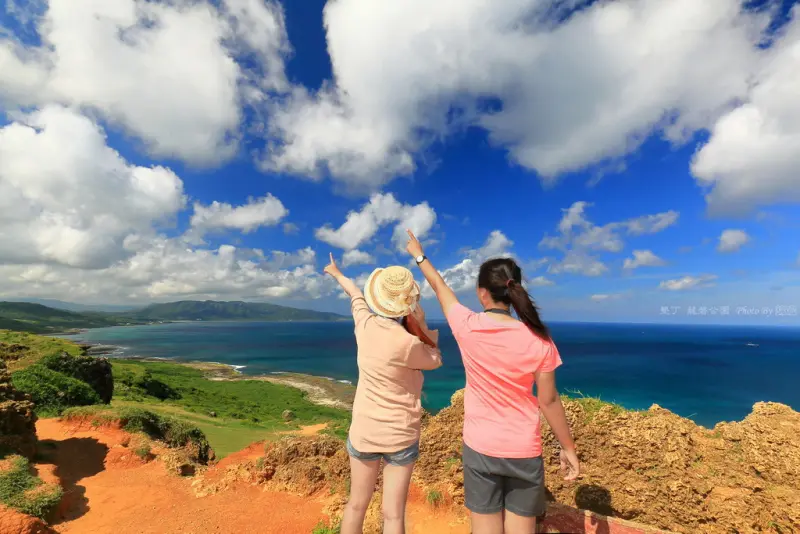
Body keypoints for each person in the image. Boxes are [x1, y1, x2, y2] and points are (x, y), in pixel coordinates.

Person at [404, 230, 580, 534]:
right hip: (524, 450)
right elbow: (548, 400)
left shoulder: (468, 326)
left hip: (481, 447)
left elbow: (440, 286)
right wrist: (568, 447)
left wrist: (419, 255)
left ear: (482, 292)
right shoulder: (540, 339)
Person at [324, 253, 443, 534]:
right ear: (407, 305)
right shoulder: (407, 343)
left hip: (365, 430)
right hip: (400, 434)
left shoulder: (363, 324)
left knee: (356, 505)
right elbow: (435, 359)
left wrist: (337, 273)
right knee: (392, 515)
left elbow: (354, 295)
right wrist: (422, 326)